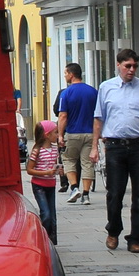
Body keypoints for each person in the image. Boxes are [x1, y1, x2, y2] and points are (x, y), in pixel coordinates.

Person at [90, 48, 139, 253]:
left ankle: (136, 238)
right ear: (118, 65)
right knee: (115, 193)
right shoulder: (106, 88)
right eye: (127, 66)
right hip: (114, 146)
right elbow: (99, 118)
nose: (131, 70)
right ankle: (113, 231)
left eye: (134, 66)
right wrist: (94, 147)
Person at [55, 62, 99, 205]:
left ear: (71, 74)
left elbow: (62, 116)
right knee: (87, 163)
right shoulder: (93, 91)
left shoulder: (66, 93)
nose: (65, 76)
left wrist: (60, 135)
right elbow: (98, 115)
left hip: (73, 133)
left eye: (66, 73)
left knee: (68, 160)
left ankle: (74, 188)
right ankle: (86, 195)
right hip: (90, 133)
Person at [26, 119, 60, 244]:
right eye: (55, 133)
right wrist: (46, 173)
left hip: (51, 185)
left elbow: (52, 166)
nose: (57, 135)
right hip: (39, 185)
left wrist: (58, 171)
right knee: (46, 213)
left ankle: (51, 241)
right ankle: (42, 238)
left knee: (53, 216)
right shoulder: (37, 150)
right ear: (47, 135)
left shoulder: (55, 150)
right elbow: (29, 170)